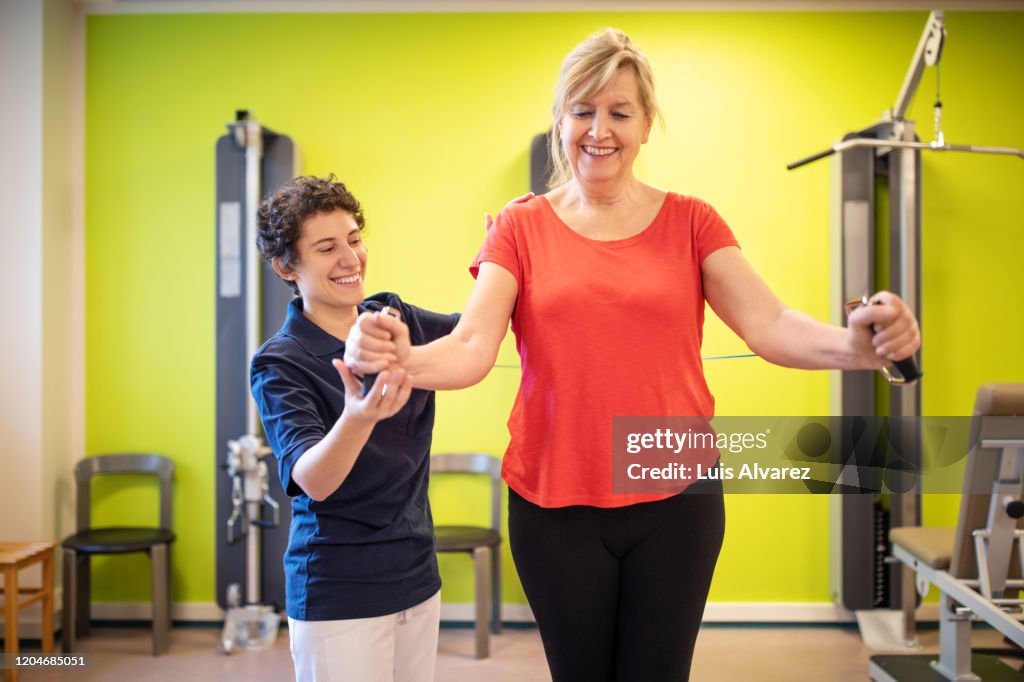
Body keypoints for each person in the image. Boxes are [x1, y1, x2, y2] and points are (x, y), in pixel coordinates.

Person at [344, 29, 921, 682]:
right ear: (560, 120)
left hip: (674, 501)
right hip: (555, 504)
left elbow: (770, 324)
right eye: (583, 110)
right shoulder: (520, 226)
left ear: (647, 125)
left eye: (619, 112)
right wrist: (400, 363)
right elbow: (473, 347)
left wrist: (858, 346)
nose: (600, 130)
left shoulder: (692, 221)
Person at [249, 174, 459, 682]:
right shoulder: (280, 362)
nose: (350, 259)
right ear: (285, 266)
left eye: (354, 239)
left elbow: (476, 337)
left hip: (416, 576)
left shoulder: (392, 316)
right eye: (326, 247)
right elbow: (314, 480)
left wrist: (507, 253)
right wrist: (358, 415)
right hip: (338, 590)